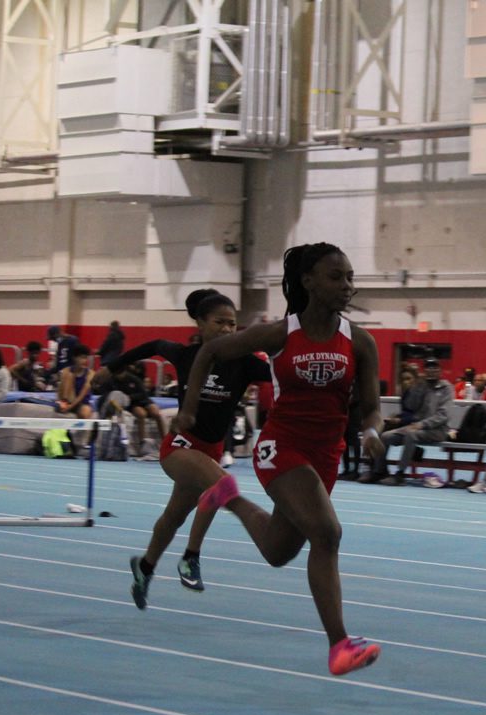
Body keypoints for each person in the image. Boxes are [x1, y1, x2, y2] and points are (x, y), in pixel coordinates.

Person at [178, 241, 384, 676]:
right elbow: (210, 351)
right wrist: (189, 408)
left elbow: (371, 407)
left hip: (325, 455)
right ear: (308, 281)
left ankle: (229, 498)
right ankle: (340, 645)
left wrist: (371, 431)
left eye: (350, 277)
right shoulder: (279, 334)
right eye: (336, 277)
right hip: (281, 447)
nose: (347, 285)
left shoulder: (361, 341)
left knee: (277, 550)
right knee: (327, 533)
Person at [110, 290, 271, 598]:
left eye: (232, 324)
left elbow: (282, 373)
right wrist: (112, 366)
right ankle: (190, 557)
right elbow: (154, 345)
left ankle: (145, 566)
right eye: (219, 322)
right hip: (180, 447)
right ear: (200, 323)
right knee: (222, 485)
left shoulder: (244, 362)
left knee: (175, 516)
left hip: (211, 449)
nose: (227, 329)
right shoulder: (185, 355)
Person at [362, 357, 451, 485]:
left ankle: (400, 474)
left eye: (434, 368)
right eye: (428, 368)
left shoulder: (446, 388)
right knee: (385, 436)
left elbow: (443, 415)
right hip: (416, 426)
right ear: (425, 371)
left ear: (440, 371)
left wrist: (422, 424)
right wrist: (416, 387)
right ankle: (379, 471)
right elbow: (411, 406)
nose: (431, 371)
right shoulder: (422, 386)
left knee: (411, 435)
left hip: (437, 430)